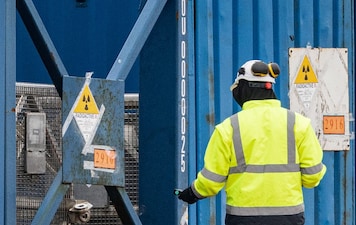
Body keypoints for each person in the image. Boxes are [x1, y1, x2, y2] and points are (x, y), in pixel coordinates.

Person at [177, 60, 326, 225]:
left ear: (243, 88)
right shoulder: (299, 124)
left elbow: (211, 181)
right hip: (289, 217)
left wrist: (192, 193)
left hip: (243, 219)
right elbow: (312, 177)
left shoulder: (228, 128)